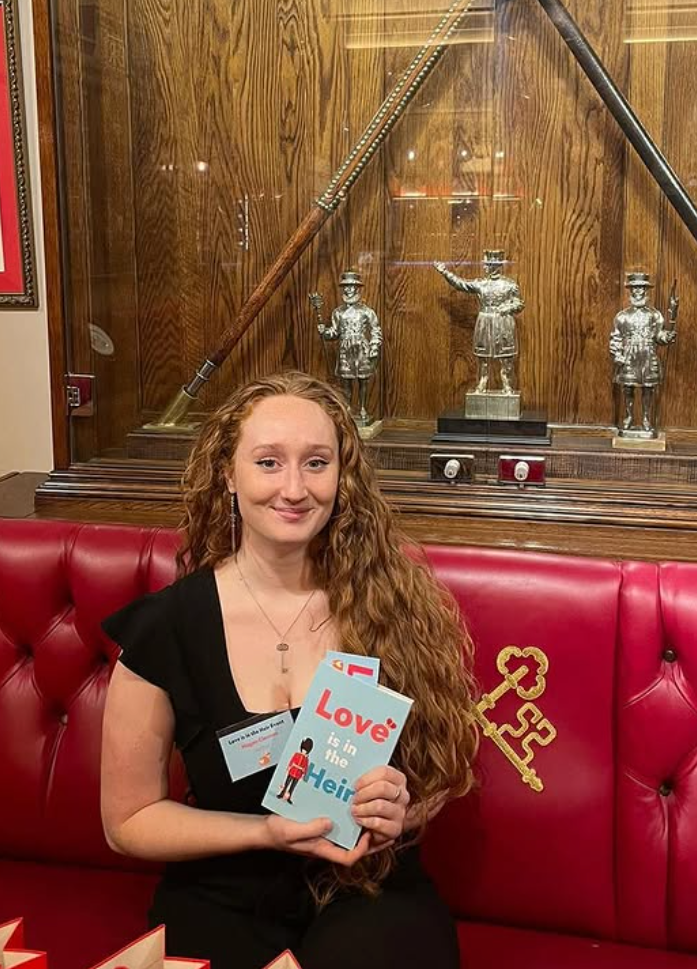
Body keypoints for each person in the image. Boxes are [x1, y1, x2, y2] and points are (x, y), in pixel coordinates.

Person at [101, 371, 478, 969]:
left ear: (342, 475)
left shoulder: (392, 604)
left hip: (369, 889)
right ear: (228, 473)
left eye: (317, 462)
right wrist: (263, 832)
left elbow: (434, 779)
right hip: (222, 891)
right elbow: (128, 821)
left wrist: (399, 810)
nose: (295, 489)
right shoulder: (166, 627)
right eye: (269, 462)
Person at [433, 250, 524, 394]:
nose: (484, 267)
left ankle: (507, 384)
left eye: (487, 264)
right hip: (484, 322)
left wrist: (508, 307)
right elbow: (461, 284)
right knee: (483, 357)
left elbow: (519, 304)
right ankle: (482, 382)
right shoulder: (481, 284)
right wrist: (445, 272)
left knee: (506, 357)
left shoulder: (509, 285)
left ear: (494, 266)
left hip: (503, 323)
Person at [609, 272, 678, 437]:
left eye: (641, 287)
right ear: (630, 290)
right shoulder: (622, 316)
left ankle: (647, 418)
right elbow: (616, 337)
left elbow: (658, 336)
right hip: (629, 355)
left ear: (646, 291)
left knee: (648, 388)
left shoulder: (654, 315)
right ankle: (629, 417)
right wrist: (617, 353)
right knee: (628, 387)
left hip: (648, 355)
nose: (637, 291)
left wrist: (666, 336)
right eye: (634, 288)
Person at [314, 271, 382, 426]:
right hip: (345, 349)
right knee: (346, 381)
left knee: (363, 380)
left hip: (361, 349)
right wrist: (324, 331)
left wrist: (374, 346)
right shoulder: (338, 312)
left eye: (351, 287)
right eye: (345, 287)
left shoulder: (366, 311)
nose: (348, 290)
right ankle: (349, 409)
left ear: (357, 289)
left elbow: (375, 330)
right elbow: (335, 332)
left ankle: (363, 408)